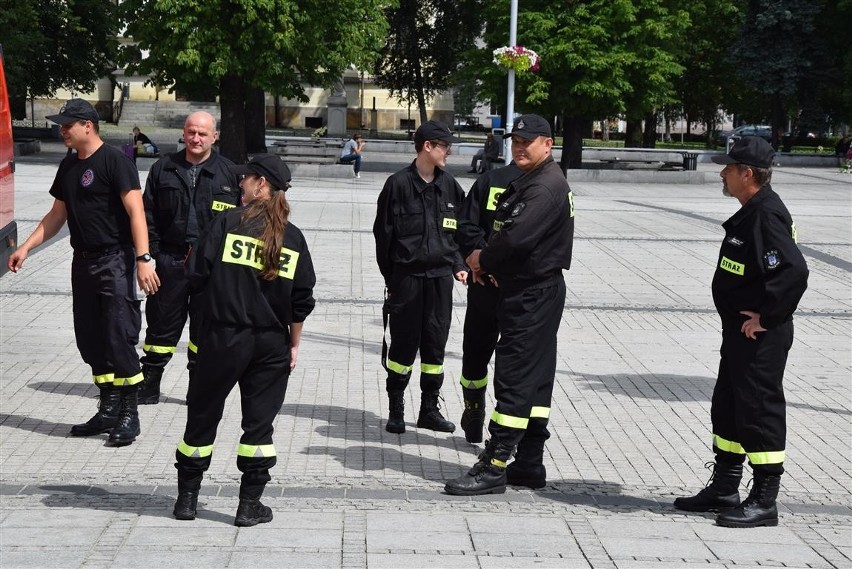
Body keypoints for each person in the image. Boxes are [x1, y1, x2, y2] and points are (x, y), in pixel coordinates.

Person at [173, 154, 316, 526]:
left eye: (246, 178)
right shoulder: (294, 237)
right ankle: (248, 505)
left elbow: (196, 274)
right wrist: (294, 344)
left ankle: (187, 500)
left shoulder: (227, 223)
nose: (240, 184)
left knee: (202, 416)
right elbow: (301, 300)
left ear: (262, 185)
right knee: (258, 427)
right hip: (271, 343)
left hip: (223, 336)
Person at [7, 99, 160, 446]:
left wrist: (143, 258)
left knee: (119, 336)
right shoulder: (69, 165)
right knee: (90, 337)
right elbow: (57, 214)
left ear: (87, 125)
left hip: (115, 261)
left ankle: (128, 414)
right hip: (84, 261)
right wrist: (26, 247)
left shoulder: (115, 162)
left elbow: (136, 212)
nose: (61, 130)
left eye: (67, 125)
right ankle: (106, 410)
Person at [674, 136, 809, 528]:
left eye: (729, 168)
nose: (722, 173)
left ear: (747, 174)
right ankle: (725, 486)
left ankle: (765, 500)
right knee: (729, 407)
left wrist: (767, 316)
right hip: (739, 333)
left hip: (760, 337)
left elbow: (794, 271)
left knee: (758, 411)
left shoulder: (765, 214)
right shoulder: (752, 210)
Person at [445, 114, 574, 495]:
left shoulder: (545, 187)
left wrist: (480, 260)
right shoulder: (533, 179)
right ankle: (530, 462)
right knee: (534, 379)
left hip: (532, 293)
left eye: (528, 141)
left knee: (515, 377)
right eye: (516, 140)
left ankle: (495, 464)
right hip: (531, 290)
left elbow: (514, 240)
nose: (519, 146)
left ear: (547, 144)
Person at [137, 112, 240, 405]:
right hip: (171, 262)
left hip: (212, 269)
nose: (196, 139)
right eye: (191, 133)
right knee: (160, 325)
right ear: (184, 133)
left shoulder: (230, 173)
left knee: (206, 330)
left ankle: (198, 387)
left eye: (203, 134)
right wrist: (153, 254)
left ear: (214, 137)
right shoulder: (163, 168)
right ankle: (150, 383)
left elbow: (240, 222)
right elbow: (147, 215)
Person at [373, 120, 467, 435]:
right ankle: (396, 410)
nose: (449, 152)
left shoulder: (451, 186)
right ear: (428, 146)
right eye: (445, 146)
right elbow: (383, 237)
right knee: (402, 346)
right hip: (407, 280)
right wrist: (394, 278)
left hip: (440, 280)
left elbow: (459, 235)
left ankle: (429, 410)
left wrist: (459, 264)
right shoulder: (397, 185)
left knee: (435, 345)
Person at [454, 161, 523, 443]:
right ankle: (505, 432)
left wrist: (480, 259)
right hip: (515, 288)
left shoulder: (490, 179)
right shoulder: (542, 185)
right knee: (513, 360)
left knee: (475, 351)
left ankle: (473, 410)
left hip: (484, 281)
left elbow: (465, 225)